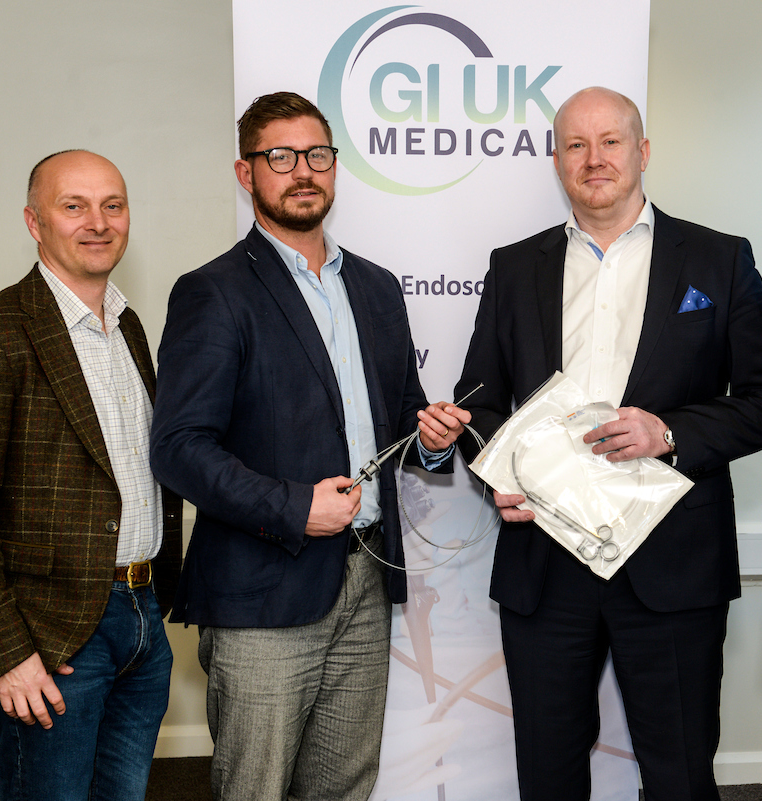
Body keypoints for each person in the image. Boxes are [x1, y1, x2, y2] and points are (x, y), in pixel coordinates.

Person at [454, 86, 762, 801]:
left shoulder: (719, 259)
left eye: (611, 141)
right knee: (548, 771)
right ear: (556, 161)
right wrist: (497, 479)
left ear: (643, 152)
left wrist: (669, 433)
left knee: (678, 772)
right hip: (545, 559)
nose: (594, 158)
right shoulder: (514, 266)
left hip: (672, 562)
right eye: (576, 144)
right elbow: (480, 402)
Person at [149, 92, 469, 801]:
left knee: (343, 784)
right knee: (256, 786)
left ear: (334, 167)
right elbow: (177, 446)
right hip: (263, 589)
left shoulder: (378, 288)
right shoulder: (215, 292)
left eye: (317, 155)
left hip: (364, 576)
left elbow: (402, 419)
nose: (303, 171)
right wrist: (294, 507)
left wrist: (434, 441)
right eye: (281, 157)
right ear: (247, 173)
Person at [0, 149, 183, 801]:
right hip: (49, 634)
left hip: (142, 616)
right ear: (34, 221)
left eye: (113, 205)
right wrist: (4, 651)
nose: (98, 221)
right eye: (74, 206)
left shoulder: (130, 328)